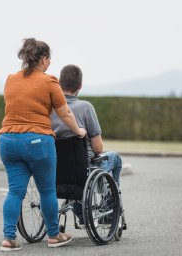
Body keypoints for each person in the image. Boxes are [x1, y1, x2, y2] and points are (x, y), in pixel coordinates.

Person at [0, 39, 86, 252]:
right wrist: (79, 131)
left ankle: (8, 238)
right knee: (47, 190)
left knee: (15, 192)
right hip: (37, 141)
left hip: (8, 140)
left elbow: (14, 108)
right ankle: (54, 235)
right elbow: (65, 113)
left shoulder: (10, 80)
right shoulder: (49, 82)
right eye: (49, 59)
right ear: (44, 59)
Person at [50, 64, 123, 224]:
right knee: (115, 159)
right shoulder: (85, 107)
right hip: (83, 170)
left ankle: (82, 214)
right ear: (80, 86)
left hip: (55, 170)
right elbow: (98, 148)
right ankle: (109, 207)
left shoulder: (49, 108)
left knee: (77, 167)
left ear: (59, 84)